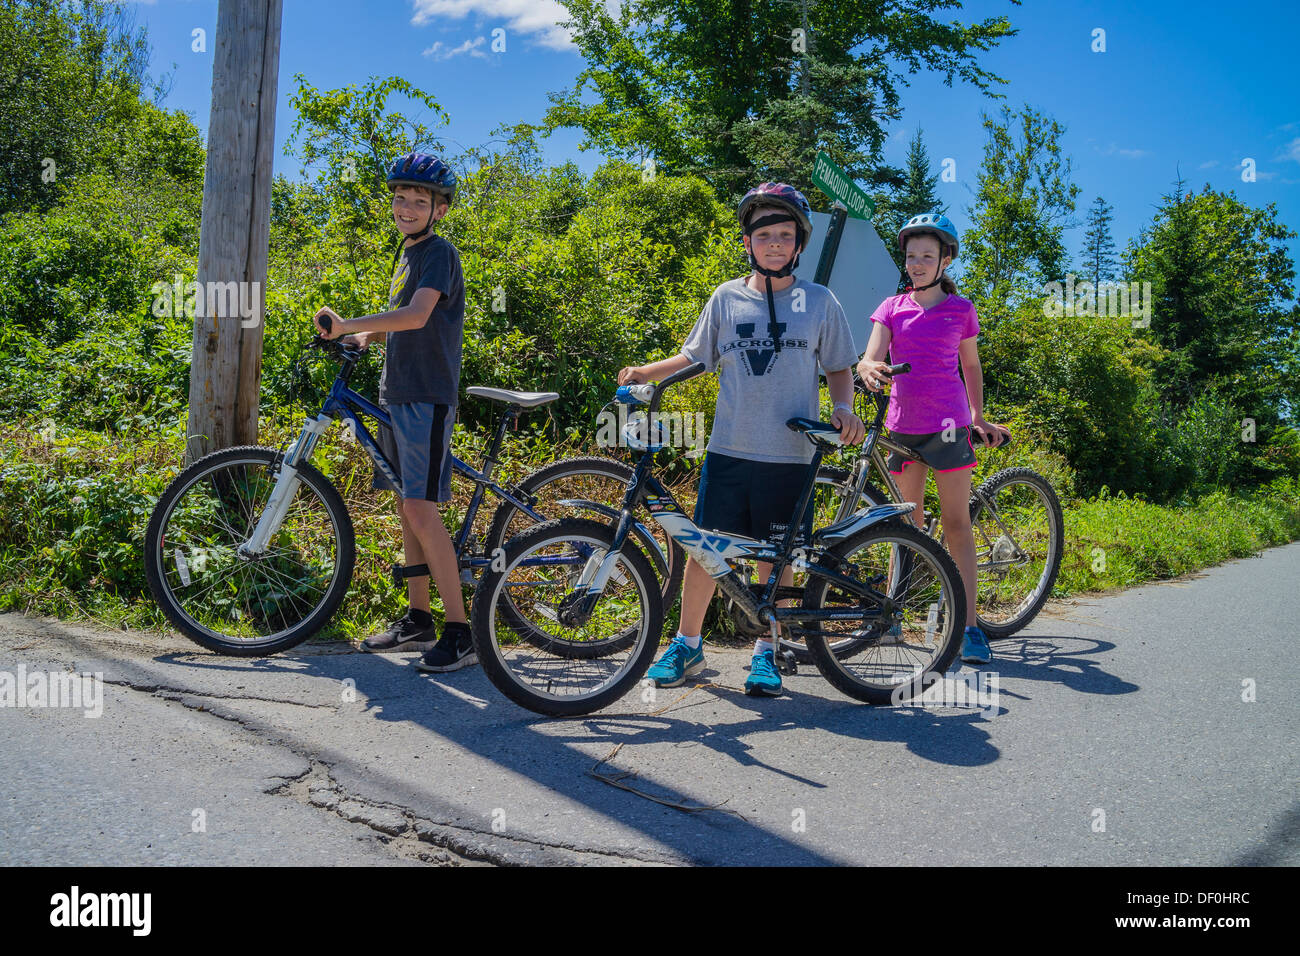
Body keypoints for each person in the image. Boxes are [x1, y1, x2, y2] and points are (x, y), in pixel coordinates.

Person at [618, 183, 865, 697]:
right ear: (748, 241)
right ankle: (687, 643)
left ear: (800, 243)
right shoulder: (726, 297)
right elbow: (695, 357)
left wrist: (844, 408)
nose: (775, 243)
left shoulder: (820, 301)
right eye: (764, 234)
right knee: (706, 549)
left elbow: (840, 368)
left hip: (792, 454)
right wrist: (648, 369)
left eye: (785, 234)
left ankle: (767, 650)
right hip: (728, 447)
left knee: (777, 555)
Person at [312, 152, 475, 673]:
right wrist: (363, 335)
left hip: (427, 395)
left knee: (423, 510)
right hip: (397, 391)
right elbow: (399, 320)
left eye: (419, 200)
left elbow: (419, 313)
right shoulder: (406, 254)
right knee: (408, 508)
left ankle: (462, 633)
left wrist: (346, 323)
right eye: (400, 197)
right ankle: (418, 619)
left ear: (440, 209)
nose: (406, 206)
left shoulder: (438, 252)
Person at [856, 212, 1008, 666]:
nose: (917, 263)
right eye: (911, 256)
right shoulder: (891, 307)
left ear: (944, 260)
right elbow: (870, 357)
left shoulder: (961, 310)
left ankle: (968, 625)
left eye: (927, 256)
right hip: (902, 428)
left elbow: (972, 367)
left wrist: (978, 416)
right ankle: (893, 614)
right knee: (906, 527)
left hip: (948, 427)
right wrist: (867, 369)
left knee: (957, 525)